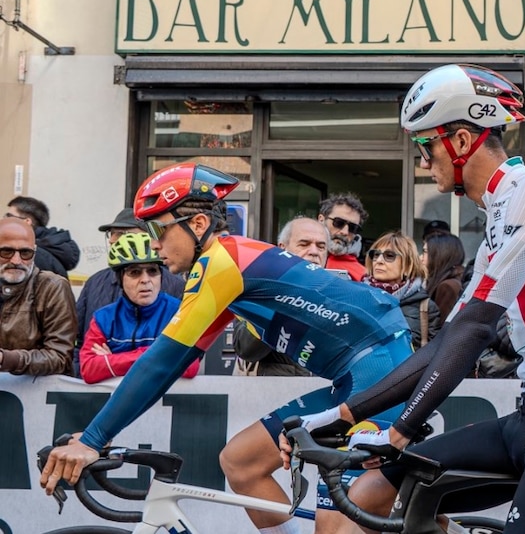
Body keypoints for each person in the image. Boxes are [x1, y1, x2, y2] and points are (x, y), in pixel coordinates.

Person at [280, 64, 525, 534]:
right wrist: (339, 416)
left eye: (427, 148)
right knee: (371, 494)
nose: (424, 164)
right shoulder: (498, 221)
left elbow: (477, 328)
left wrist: (402, 429)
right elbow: (448, 338)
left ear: (464, 141)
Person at [40, 163, 414, 534]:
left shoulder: (223, 262)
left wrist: (93, 439)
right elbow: (177, 360)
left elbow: (161, 362)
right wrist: (93, 435)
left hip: (377, 371)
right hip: (356, 375)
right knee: (241, 462)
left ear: (198, 225)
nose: (155, 244)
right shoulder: (227, 267)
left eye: (158, 228)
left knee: (335, 531)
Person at [75, 208, 186, 377]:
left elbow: (187, 363)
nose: (112, 239)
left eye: (120, 233)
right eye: (111, 234)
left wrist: (112, 361)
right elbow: (83, 354)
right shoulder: (95, 287)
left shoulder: (177, 292)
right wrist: (158, 355)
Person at [233, 217, 330, 377]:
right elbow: (246, 349)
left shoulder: (336, 293)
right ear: (282, 249)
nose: (314, 252)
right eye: (304, 244)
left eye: (321, 246)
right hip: (273, 395)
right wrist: (286, 297)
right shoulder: (256, 288)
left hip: (323, 396)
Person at [0, 217, 78, 376]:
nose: (16, 260)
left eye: (25, 253)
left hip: (37, 396)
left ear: (35, 253)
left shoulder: (52, 287)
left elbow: (60, 357)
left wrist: (6, 359)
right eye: (6, 251)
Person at [365, 231, 441, 350]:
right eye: (375, 254)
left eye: (389, 256)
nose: (379, 261)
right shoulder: (358, 297)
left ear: (407, 265)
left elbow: (432, 354)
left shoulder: (425, 307)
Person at [6, 196, 80, 278]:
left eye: (9, 216)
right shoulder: (43, 249)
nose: (4, 221)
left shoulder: (33, 256)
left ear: (27, 222)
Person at [318, 192, 367, 282]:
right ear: (321, 220)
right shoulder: (295, 255)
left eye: (353, 228)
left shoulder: (362, 276)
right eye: (339, 222)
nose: (345, 232)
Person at [422, 231, 465, 321]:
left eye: (425, 252)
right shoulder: (454, 279)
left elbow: (442, 327)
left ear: (440, 254)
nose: (421, 257)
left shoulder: (447, 286)